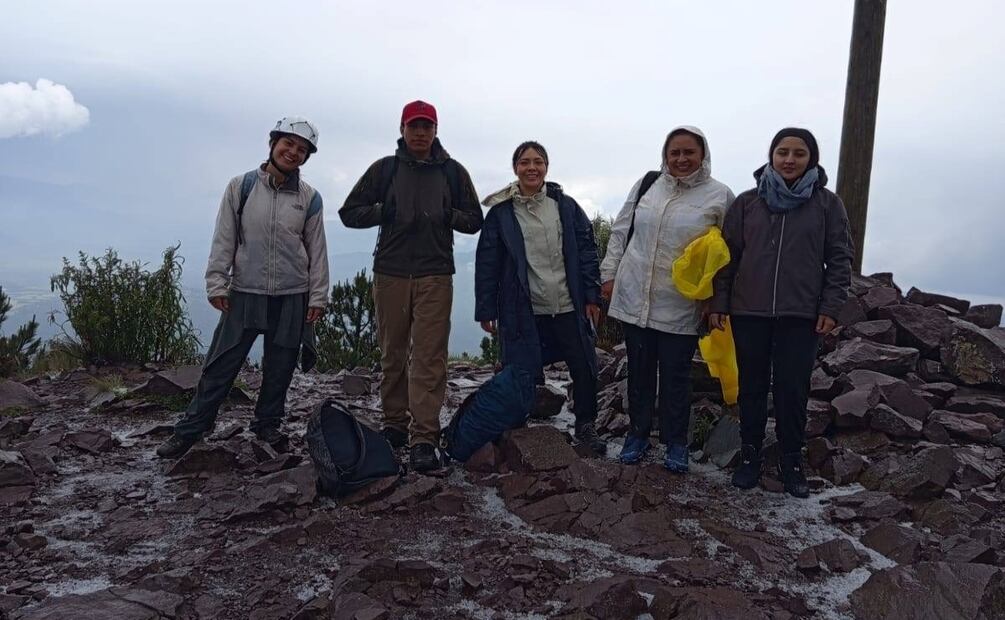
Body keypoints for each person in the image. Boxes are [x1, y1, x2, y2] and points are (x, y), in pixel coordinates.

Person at [157, 116, 329, 459]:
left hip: (292, 293)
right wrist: (216, 282)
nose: (293, 153)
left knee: (280, 367)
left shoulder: (309, 198)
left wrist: (318, 296)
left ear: (307, 158)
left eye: (301, 150)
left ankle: (267, 424)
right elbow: (225, 237)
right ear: (273, 143)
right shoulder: (242, 186)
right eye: (288, 144)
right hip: (246, 290)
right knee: (221, 363)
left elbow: (316, 249)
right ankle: (192, 428)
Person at [340, 100, 482, 473]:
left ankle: (424, 437)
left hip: (435, 273)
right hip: (390, 272)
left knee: (429, 357)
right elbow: (348, 213)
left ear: (436, 130)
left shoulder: (453, 172)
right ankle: (394, 426)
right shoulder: (384, 170)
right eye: (413, 126)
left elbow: (474, 220)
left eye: (427, 126)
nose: (420, 132)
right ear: (402, 129)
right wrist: (383, 212)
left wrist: (446, 215)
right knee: (393, 353)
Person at [709, 127, 853, 498]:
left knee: (792, 390)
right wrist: (719, 303)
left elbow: (839, 259)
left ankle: (791, 460)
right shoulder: (746, 203)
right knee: (752, 388)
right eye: (782, 152)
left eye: (798, 153)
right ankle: (750, 456)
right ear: (771, 156)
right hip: (749, 311)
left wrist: (831, 307)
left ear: (811, 159)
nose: (789, 160)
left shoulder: (827, 204)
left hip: (801, 314)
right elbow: (728, 259)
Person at [601, 126, 734, 472]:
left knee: (676, 376)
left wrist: (717, 300)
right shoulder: (649, 184)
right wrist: (609, 274)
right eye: (674, 153)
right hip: (636, 296)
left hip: (682, 302)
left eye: (689, 152)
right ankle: (638, 435)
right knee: (640, 372)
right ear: (665, 155)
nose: (681, 159)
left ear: (703, 155)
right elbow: (620, 229)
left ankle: (676, 443)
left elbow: (729, 254)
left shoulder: (719, 196)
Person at [475, 141, 606, 455]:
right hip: (524, 306)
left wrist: (592, 294)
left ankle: (586, 425)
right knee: (519, 368)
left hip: (567, 302)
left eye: (538, 161)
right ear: (515, 168)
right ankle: (517, 426)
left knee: (584, 365)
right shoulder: (502, 213)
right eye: (524, 162)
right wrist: (486, 307)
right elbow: (487, 262)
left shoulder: (566, 206)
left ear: (547, 167)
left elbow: (587, 252)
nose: (531, 167)